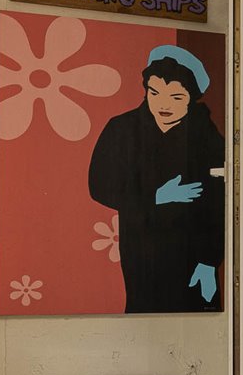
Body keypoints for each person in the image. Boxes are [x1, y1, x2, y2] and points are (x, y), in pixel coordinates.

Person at [87, 46, 224, 312]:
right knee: (142, 313)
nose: (163, 104)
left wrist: (209, 261)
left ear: (191, 97)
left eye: (176, 97)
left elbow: (221, 205)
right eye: (155, 93)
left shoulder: (208, 137)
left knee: (196, 318)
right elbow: (99, 185)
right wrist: (156, 196)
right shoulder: (122, 128)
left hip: (194, 253)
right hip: (142, 247)